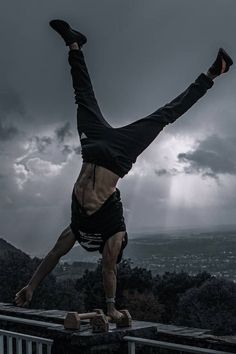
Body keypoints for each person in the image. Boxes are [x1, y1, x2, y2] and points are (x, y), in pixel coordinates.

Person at [15, 19, 233, 322]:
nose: (110, 252)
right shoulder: (115, 231)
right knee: (165, 115)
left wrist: (31, 286)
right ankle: (212, 74)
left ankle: (74, 45)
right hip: (119, 153)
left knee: (83, 97)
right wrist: (110, 307)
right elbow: (109, 268)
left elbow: (53, 255)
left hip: (93, 150)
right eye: (112, 251)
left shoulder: (77, 227)